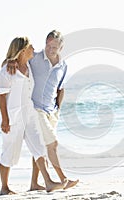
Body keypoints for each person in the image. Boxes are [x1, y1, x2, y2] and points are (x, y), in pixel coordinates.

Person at [8, 30, 78, 190]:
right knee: (52, 144)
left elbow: (61, 88)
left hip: (51, 112)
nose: (51, 49)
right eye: (49, 45)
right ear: (45, 42)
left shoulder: (63, 66)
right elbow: (18, 61)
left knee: (39, 146)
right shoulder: (35, 58)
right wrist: (11, 61)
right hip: (35, 108)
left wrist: (58, 109)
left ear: (61, 47)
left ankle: (34, 183)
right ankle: (63, 179)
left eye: (55, 47)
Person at [0, 36, 65, 195]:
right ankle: (4, 187)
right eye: (30, 46)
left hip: (30, 115)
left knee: (40, 147)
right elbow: (1, 95)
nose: (33, 48)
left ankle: (47, 182)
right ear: (22, 50)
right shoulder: (8, 70)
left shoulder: (29, 65)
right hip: (14, 118)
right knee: (9, 152)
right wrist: (5, 119)